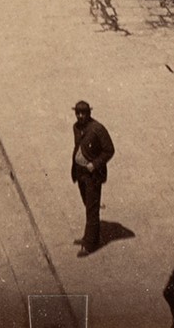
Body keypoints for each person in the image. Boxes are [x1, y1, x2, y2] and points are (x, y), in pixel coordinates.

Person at [71, 100, 115, 255]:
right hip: (80, 173)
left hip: (93, 176)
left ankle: (89, 244)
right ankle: (93, 236)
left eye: (83, 113)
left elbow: (109, 150)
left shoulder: (98, 129)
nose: (80, 116)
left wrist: (95, 164)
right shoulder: (76, 127)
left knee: (92, 209)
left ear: (89, 113)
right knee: (88, 204)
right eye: (78, 113)